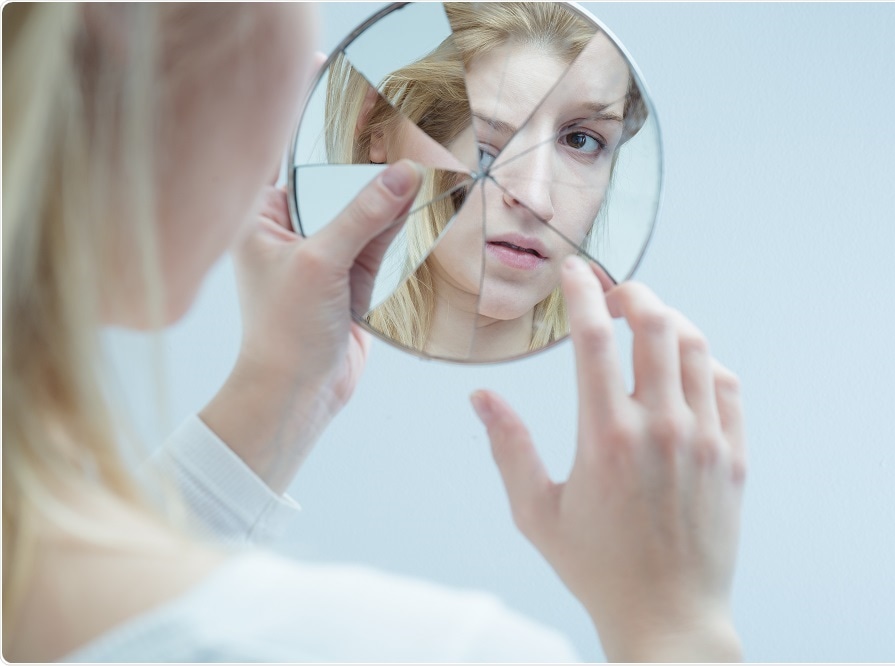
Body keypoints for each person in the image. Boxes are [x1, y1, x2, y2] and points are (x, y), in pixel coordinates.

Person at [3, 3, 747, 662]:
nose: (536, 199)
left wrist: (279, 386)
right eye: (488, 152)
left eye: (583, 140)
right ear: (377, 139)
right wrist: (676, 628)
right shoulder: (456, 654)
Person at [324, 3, 648, 361]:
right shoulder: (311, 358)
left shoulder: (629, 376)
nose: (535, 199)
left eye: (581, 140)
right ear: (379, 130)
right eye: (483, 144)